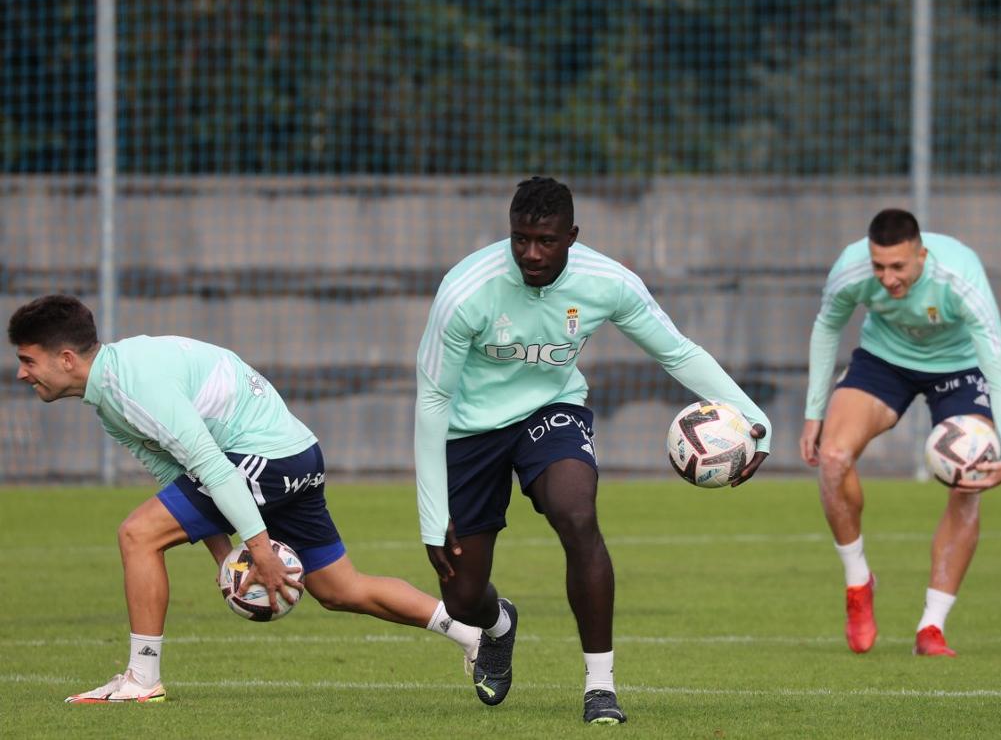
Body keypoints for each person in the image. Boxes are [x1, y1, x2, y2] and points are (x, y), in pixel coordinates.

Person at [415, 176, 771, 725]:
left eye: (547, 241)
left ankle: (600, 686)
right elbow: (434, 399)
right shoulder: (466, 291)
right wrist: (433, 516)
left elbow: (676, 353)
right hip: (470, 430)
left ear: (572, 236)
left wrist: (753, 419)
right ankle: (499, 624)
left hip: (551, 412)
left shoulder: (609, 282)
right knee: (463, 597)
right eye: (520, 239)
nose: (532, 253)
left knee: (577, 516)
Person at [8, 294, 481, 704]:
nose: (21, 373)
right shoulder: (109, 393)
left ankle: (142, 679)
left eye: (28, 360)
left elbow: (212, 466)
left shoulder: (131, 385)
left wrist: (258, 551)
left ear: (66, 358)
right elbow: (177, 475)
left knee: (137, 535)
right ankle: (474, 635)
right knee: (341, 590)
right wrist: (225, 556)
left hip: (265, 459)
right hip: (296, 455)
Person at [799, 208, 1001, 657]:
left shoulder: (961, 278)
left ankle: (931, 627)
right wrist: (814, 413)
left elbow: (998, 371)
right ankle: (858, 583)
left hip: (960, 368)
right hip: (884, 361)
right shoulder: (851, 269)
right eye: (879, 266)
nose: (887, 277)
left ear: (921, 255)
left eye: (898, 267)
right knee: (834, 457)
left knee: (967, 481)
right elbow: (827, 328)